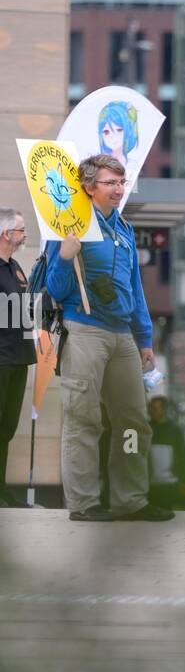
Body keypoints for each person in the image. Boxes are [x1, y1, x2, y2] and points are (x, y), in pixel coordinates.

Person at [45, 153, 172, 522]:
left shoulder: (124, 229)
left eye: (121, 182)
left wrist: (144, 337)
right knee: (83, 419)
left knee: (134, 422)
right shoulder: (70, 225)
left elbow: (134, 287)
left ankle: (130, 499)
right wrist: (66, 257)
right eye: (110, 183)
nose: (119, 189)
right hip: (84, 330)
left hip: (122, 337)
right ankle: (83, 503)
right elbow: (56, 287)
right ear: (89, 187)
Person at [0, 207, 36, 507]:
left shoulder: (15, 268)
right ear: (6, 233)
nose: (25, 235)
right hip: (1, 358)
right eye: (21, 230)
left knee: (7, 426)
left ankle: (2, 490)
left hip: (18, 357)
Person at [147, 395, 185, 512]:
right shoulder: (146, 429)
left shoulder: (175, 430)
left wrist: (184, 481)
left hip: (170, 483)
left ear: (165, 409)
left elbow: (183, 456)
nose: (156, 411)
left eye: (159, 408)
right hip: (150, 484)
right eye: (153, 408)